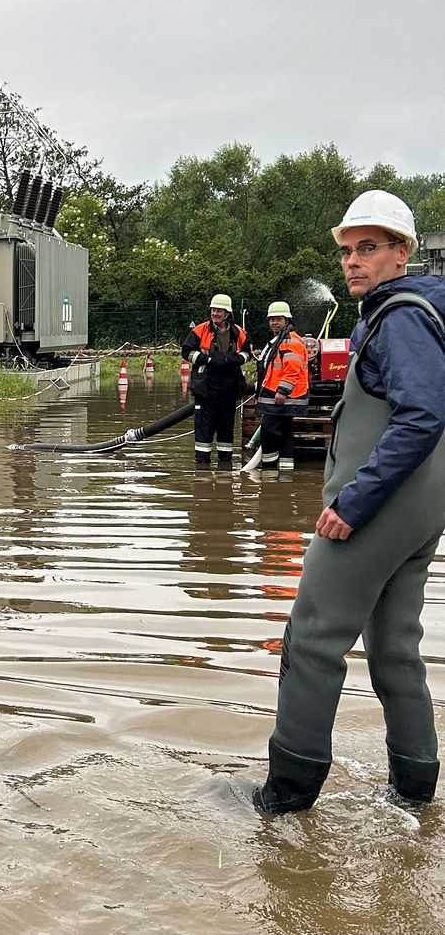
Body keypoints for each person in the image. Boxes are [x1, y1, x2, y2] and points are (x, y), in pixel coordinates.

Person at [254, 190, 445, 814]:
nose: (353, 262)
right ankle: (415, 801)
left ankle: (284, 803)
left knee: (311, 640)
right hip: (419, 514)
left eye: (368, 248)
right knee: (394, 651)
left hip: (376, 511)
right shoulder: (412, 313)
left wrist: (354, 503)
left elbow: (421, 416)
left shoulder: (403, 316)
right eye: (346, 251)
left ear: (402, 251)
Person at [181, 294, 251, 467]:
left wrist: (237, 359)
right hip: (206, 384)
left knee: (226, 426)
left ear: (227, 313)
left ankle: (225, 465)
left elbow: (248, 352)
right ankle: (202, 466)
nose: (215, 313)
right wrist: (208, 360)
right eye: (213, 310)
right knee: (204, 427)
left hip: (229, 384)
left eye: (219, 310)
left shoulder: (238, 332)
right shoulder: (200, 330)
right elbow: (186, 352)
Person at [255, 301, 309, 471]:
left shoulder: (290, 341)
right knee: (285, 433)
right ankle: (285, 474)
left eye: (278, 319)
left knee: (269, 432)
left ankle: (269, 471)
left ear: (287, 320)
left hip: (281, 397)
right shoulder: (280, 339)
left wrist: (282, 391)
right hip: (281, 396)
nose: (274, 323)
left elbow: (292, 369)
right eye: (271, 319)